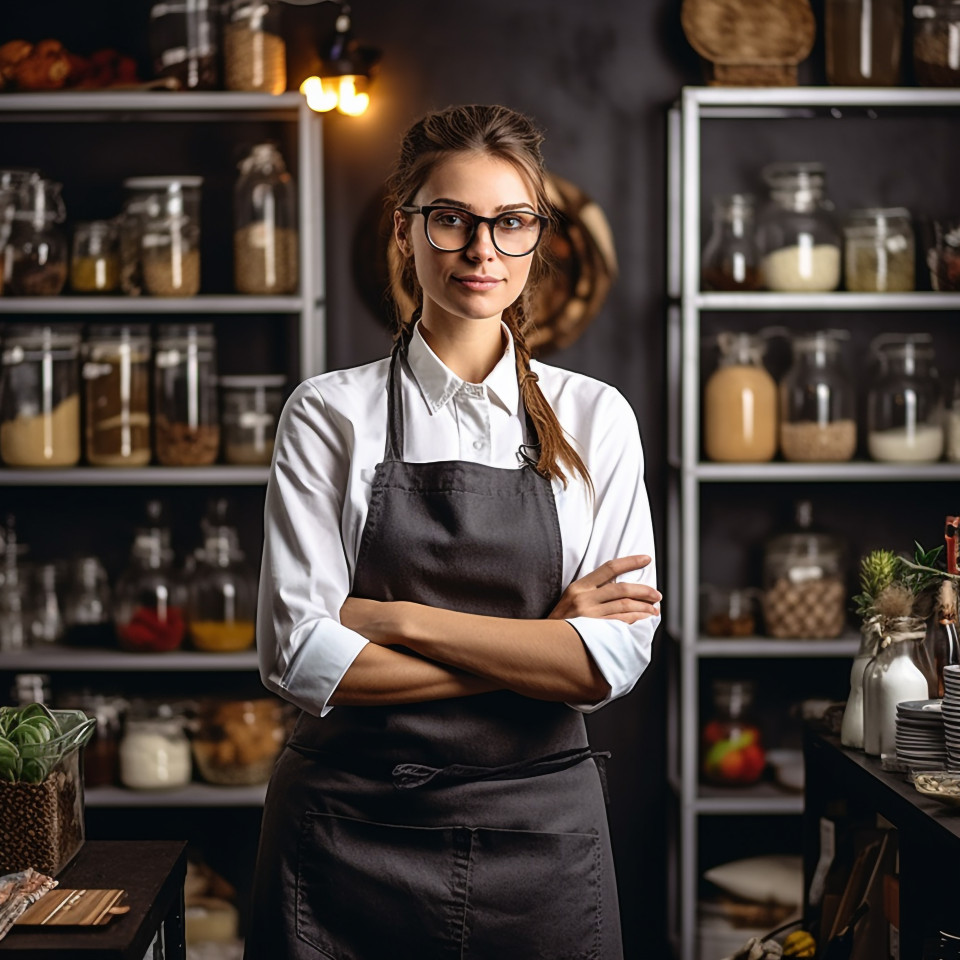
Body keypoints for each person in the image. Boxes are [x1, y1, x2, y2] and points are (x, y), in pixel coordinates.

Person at [245, 103, 661, 960]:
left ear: (537, 237)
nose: (482, 251)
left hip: (541, 839)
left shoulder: (596, 417)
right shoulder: (328, 414)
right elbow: (298, 657)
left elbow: (608, 661)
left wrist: (397, 620)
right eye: (451, 221)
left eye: (510, 223)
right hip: (347, 832)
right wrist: (539, 648)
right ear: (405, 231)